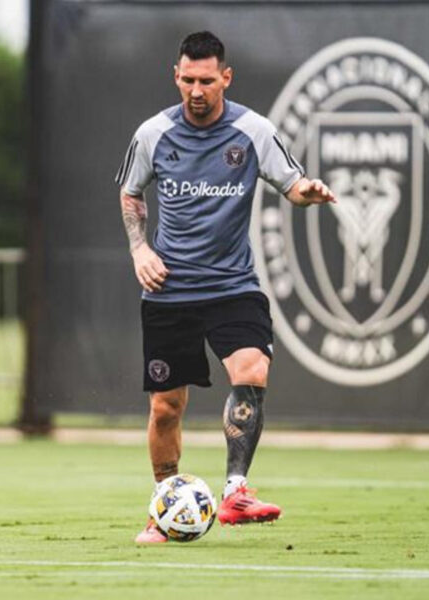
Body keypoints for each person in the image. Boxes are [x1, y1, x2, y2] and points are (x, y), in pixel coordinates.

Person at [116, 31, 335, 543]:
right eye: (188, 80)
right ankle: (164, 508)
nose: (196, 90)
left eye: (207, 81)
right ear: (176, 76)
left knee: (252, 369)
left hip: (233, 286)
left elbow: (292, 183)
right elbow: (130, 191)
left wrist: (310, 191)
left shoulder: (253, 130)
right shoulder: (153, 134)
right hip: (169, 291)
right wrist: (139, 249)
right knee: (166, 407)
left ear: (225, 78)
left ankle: (236, 491)